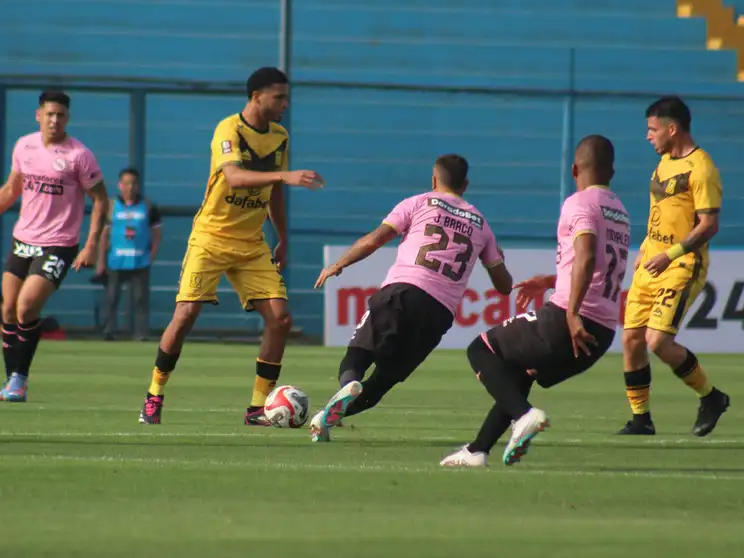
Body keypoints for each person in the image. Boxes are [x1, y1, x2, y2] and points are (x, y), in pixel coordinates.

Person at [138, 66, 325, 426]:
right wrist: (285, 175)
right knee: (185, 315)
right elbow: (235, 177)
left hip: (252, 243)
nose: (285, 104)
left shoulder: (280, 137)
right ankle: (154, 395)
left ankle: (256, 408)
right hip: (211, 237)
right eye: (279, 97)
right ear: (257, 97)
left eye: (286, 97)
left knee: (281, 320)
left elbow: (275, 192)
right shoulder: (229, 129)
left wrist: (283, 237)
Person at [440, 135, 630, 468]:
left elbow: (587, 257)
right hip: (602, 333)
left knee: (481, 349)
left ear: (574, 169)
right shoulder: (620, 212)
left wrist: (572, 313)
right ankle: (478, 450)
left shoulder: (579, 202)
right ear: (612, 172)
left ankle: (524, 415)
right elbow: (599, 266)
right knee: (520, 370)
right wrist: (552, 281)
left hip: (569, 320)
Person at [309, 154, 512, 442]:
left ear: (434, 179)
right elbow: (504, 286)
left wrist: (339, 264)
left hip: (403, 291)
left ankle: (348, 384)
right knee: (381, 383)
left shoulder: (418, 203)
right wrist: (498, 259)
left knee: (358, 354)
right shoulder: (481, 224)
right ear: (465, 184)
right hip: (439, 313)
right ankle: (327, 419)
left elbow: (374, 240)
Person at [0, 90, 109, 402]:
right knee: (8, 310)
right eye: (49, 114)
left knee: (26, 306)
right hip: (23, 240)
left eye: (60, 115)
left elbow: (101, 200)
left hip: (59, 244)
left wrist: (91, 244)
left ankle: (19, 381)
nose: (54, 120)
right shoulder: (25, 145)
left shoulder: (79, 155)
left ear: (68, 118)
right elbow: (11, 190)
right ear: (38, 115)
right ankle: (12, 383)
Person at [619, 97, 729, 436]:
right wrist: (644, 248)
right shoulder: (664, 162)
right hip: (651, 262)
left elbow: (709, 224)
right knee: (632, 339)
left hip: (682, 264)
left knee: (657, 341)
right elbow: (661, 212)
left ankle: (711, 397)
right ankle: (641, 419)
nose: (648, 136)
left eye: (652, 129)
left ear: (672, 129)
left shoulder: (702, 168)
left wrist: (670, 254)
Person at [97, 168, 162, 341]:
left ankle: (141, 333)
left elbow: (157, 235)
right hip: (116, 260)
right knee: (112, 297)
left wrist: (151, 255)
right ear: (120, 185)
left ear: (138, 185)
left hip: (140, 261)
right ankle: (109, 331)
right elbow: (103, 236)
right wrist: (101, 261)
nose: (130, 187)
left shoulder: (148, 206)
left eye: (133, 183)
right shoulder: (111, 206)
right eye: (126, 183)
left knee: (140, 299)